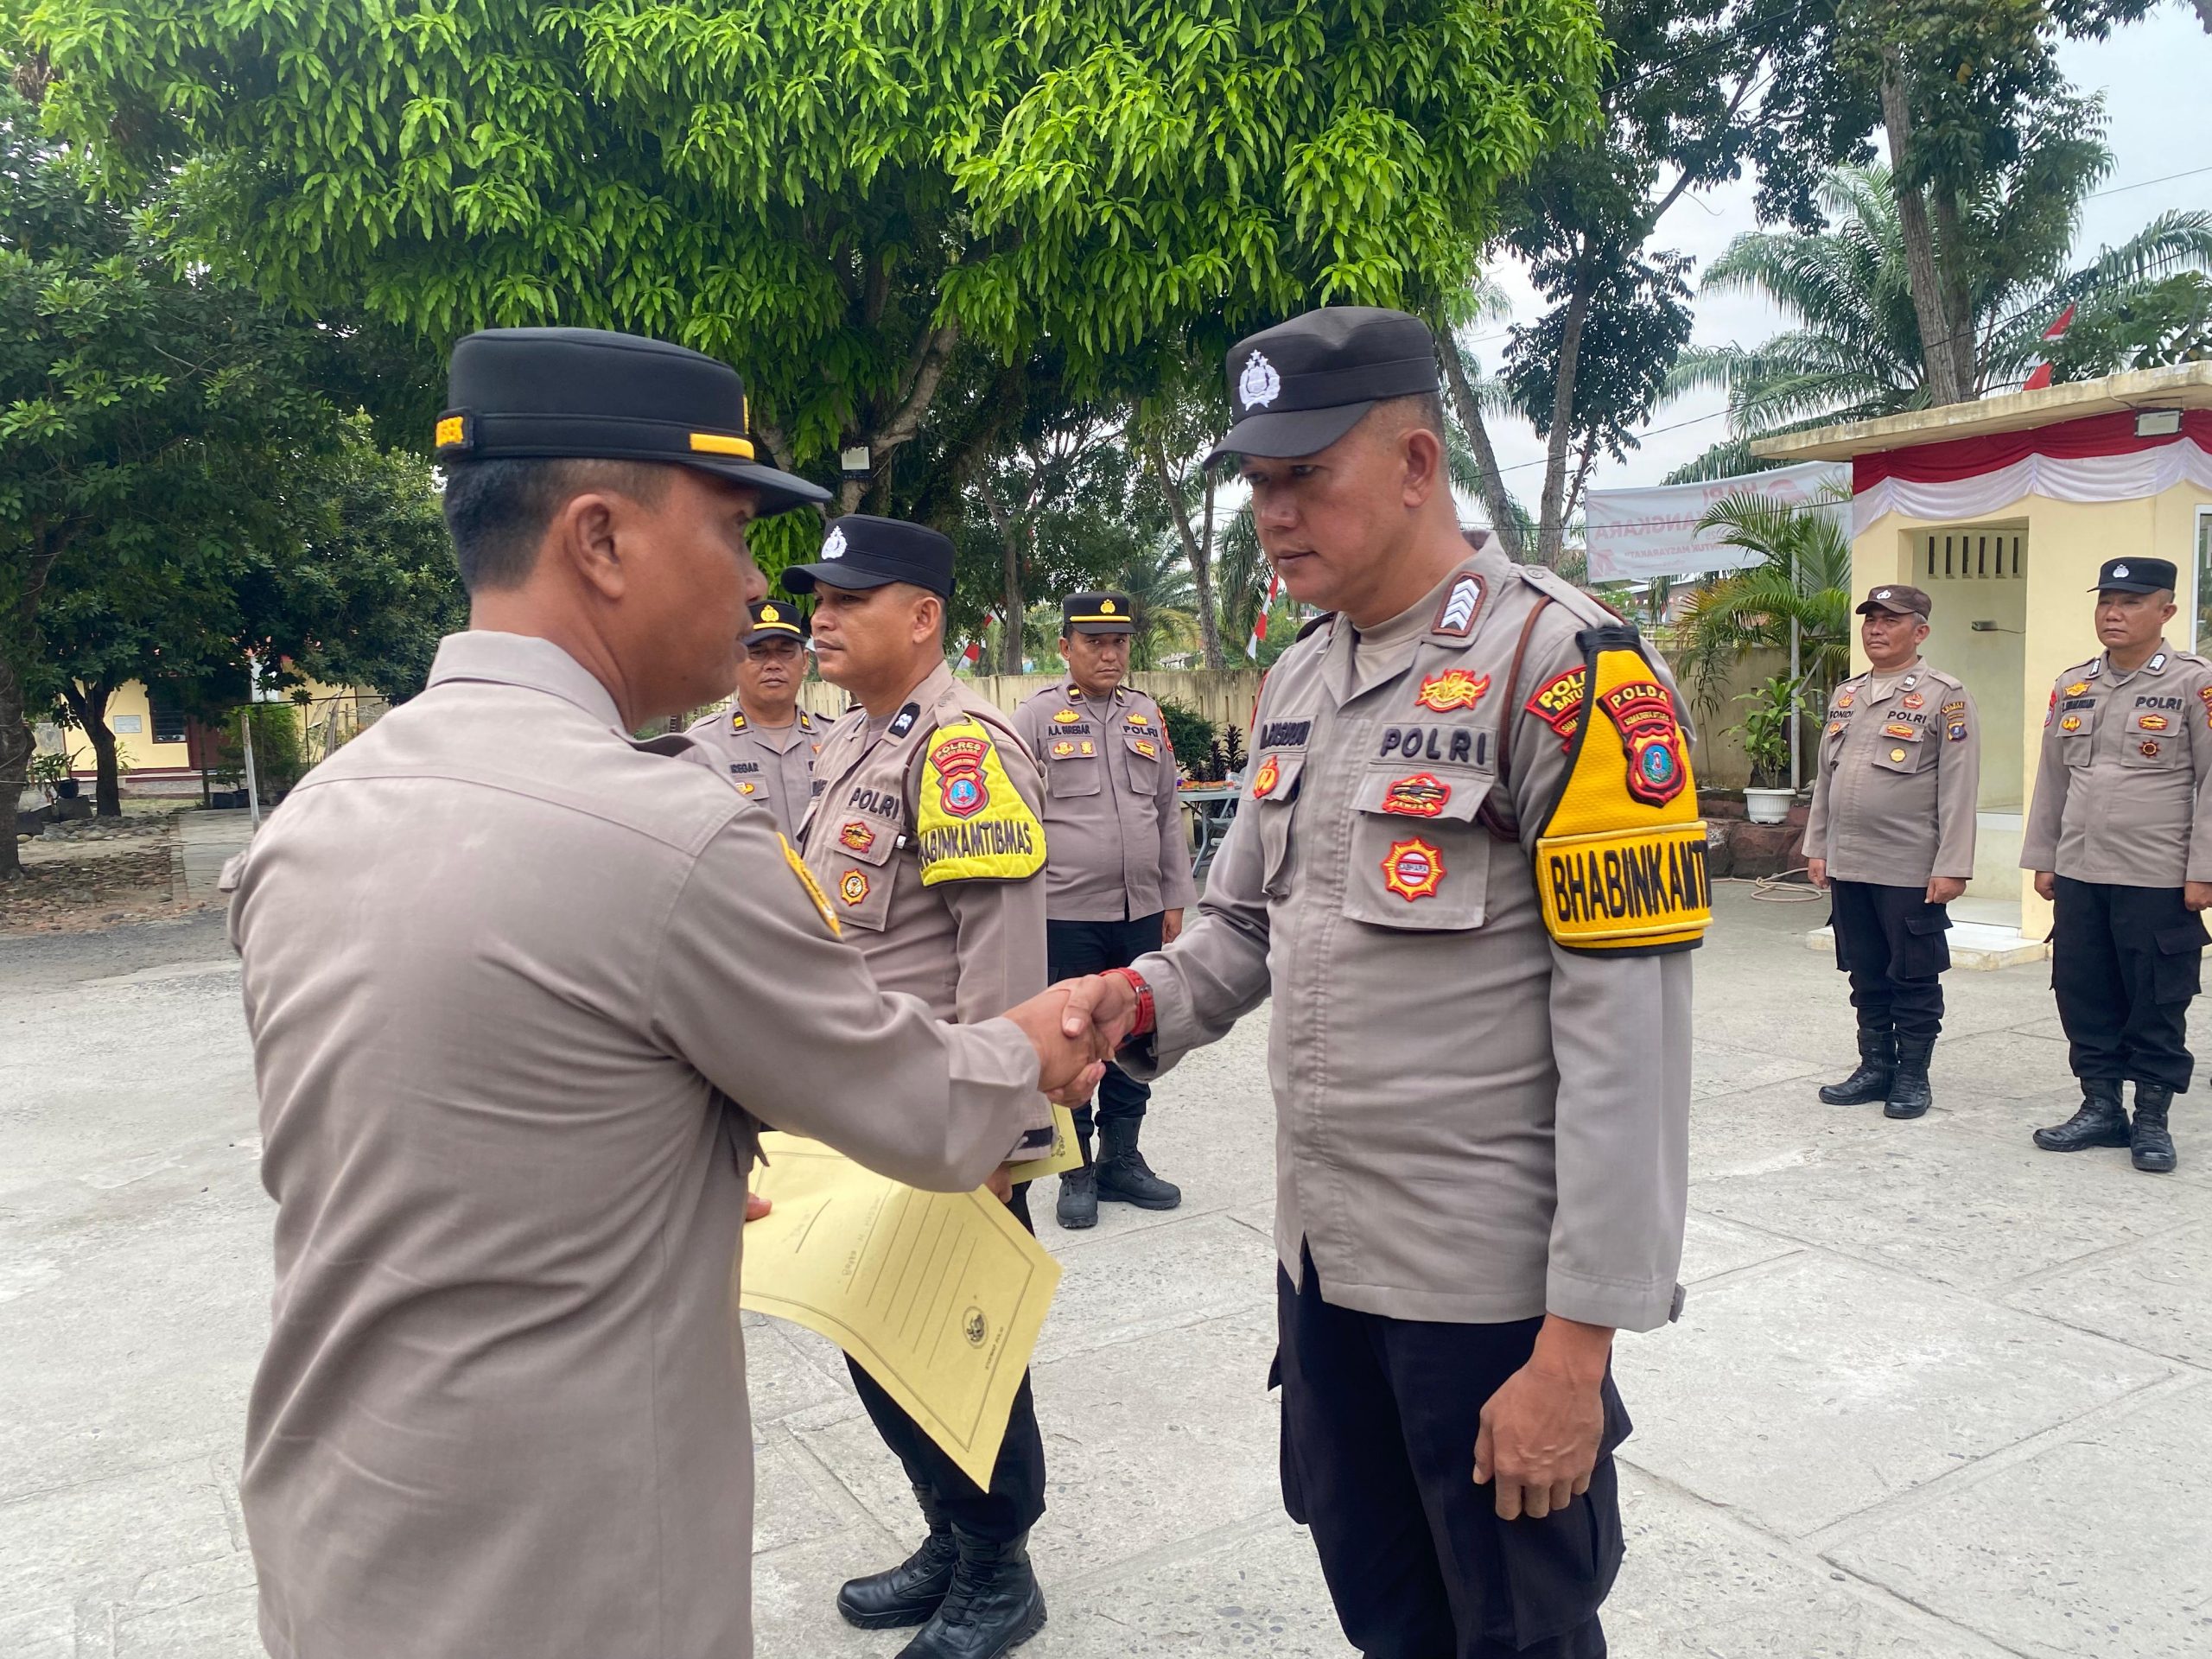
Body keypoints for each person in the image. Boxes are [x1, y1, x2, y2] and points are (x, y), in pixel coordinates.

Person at [221, 327, 1102, 1659]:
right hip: (566, 1574)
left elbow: (433, 1134)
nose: (758, 585)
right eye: (734, 529)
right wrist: (1030, 1054)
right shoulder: (665, 832)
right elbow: (924, 1104)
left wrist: (655, 1165)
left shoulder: (314, 818)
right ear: (601, 539)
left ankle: (984, 1550)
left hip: (338, 1532)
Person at [1061, 306, 1707, 1659]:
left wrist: (1577, 1350)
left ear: (1418, 465)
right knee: (1387, 1615)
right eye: (1258, 482)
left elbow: (1630, 1044)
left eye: (1306, 475)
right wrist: (1135, 1002)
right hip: (1325, 1268)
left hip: (1487, 1299)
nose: (1273, 514)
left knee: (1519, 1631)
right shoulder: (1305, 673)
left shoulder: (1567, 669)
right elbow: (1245, 924)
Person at [785, 515, 1056, 1659]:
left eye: (850, 599)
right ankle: (949, 1536)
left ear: (924, 616)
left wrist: (995, 1140)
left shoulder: (960, 749)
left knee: (960, 1352)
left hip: (947, 1119)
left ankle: (999, 1572)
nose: (821, 618)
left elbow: (1005, 963)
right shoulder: (856, 739)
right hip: (867, 1116)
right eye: (819, 599)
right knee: (882, 1346)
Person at [1010, 591, 1198, 1227]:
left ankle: (1122, 1159)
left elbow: (1167, 809)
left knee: (1136, 1033)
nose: (1110, 654)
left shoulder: (1145, 714)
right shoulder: (1036, 716)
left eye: (1119, 641)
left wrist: (1174, 896)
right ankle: (1076, 1169)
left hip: (1139, 910)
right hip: (1063, 911)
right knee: (1072, 1037)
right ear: (1065, 647)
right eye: (1094, 642)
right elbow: (1015, 813)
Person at [2023, 556, 2212, 1175]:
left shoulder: (2195, 684)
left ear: (2167, 611)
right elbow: (2053, 777)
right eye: (2106, 600)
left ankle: (2152, 1118)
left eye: (2131, 602)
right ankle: (2101, 1107)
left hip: (2157, 874)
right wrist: (2044, 856)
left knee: (2158, 997)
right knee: (2083, 991)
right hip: (2080, 870)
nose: (2113, 612)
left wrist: (2204, 868)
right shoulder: (2074, 684)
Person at [1802, 585, 1980, 1119]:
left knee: (1914, 975)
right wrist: (1818, 846)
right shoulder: (1847, 694)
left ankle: (1912, 1076)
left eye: (1890, 620)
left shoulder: (1945, 696)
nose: (1876, 629)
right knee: (1865, 971)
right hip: (1850, 861)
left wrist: (1952, 865)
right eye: (1871, 619)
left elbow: (1959, 787)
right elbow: (1826, 779)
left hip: (1909, 864)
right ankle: (1875, 1067)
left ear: (1920, 631)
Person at [685, 597, 827, 838]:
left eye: (785, 651)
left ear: (805, 662)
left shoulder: (836, 740)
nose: (773, 665)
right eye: (758, 652)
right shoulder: (701, 746)